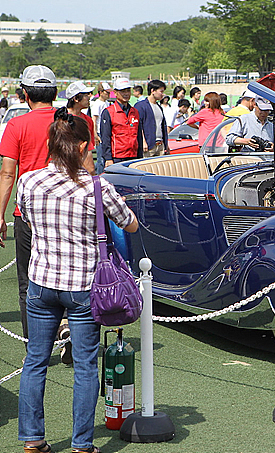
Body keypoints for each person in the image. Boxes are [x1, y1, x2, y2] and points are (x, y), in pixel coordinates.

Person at [17, 107, 138, 453]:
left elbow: (26, 219)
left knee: (35, 361)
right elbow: (129, 223)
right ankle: (82, 443)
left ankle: (32, 439)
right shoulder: (97, 187)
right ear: (84, 146)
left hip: (41, 281)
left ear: (51, 145)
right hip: (85, 286)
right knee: (85, 366)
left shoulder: (29, 181)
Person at [0, 65, 94, 365]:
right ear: (56, 93)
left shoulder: (16, 125)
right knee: (73, 275)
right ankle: (70, 331)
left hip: (29, 211)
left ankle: (36, 346)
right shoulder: (74, 123)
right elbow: (89, 170)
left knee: (29, 282)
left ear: (24, 94)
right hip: (71, 208)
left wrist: (0, 215)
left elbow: (7, 174)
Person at [100, 77, 143, 167]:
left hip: (133, 156)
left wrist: (140, 156)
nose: (126, 94)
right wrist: (108, 158)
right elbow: (105, 137)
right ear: (115, 93)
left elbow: (138, 135)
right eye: (123, 91)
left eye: (128, 90)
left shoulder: (135, 112)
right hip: (117, 157)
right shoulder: (109, 112)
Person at [65, 81, 97, 164]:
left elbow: (89, 147)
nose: (89, 97)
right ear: (76, 99)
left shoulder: (88, 120)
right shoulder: (62, 119)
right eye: (86, 95)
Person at [136, 79, 169, 158]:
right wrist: (143, 141)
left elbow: (162, 126)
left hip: (160, 145)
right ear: (153, 91)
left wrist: (166, 144)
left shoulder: (159, 107)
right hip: (148, 146)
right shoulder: (141, 106)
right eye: (161, 91)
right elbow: (138, 125)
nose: (163, 94)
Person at [89, 82, 113, 174]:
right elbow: (94, 119)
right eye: (106, 92)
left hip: (105, 132)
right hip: (99, 132)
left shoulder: (107, 103)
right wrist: (95, 134)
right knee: (101, 159)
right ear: (101, 92)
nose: (108, 94)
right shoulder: (97, 104)